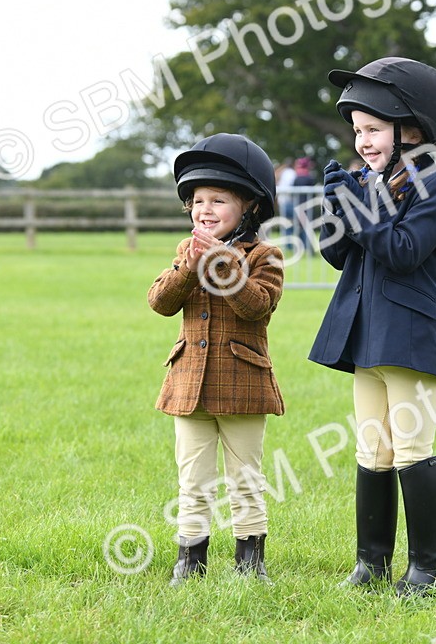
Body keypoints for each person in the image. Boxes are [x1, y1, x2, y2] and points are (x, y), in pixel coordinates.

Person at [308, 56, 436, 596]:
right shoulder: (369, 183)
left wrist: (360, 208)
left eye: (372, 129)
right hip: (365, 335)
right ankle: (371, 564)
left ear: (410, 130)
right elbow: (339, 257)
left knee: (413, 449)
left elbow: (400, 250)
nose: (362, 141)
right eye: (357, 131)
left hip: (411, 339)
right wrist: (336, 213)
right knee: (373, 451)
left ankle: (428, 570)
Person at [148, 133, 285, 585]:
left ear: (249, 206)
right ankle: (190, 558)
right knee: (193, 477)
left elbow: (256, 305)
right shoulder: (185, 254)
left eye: (218, 200)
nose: (205, 210)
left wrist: (221, 263)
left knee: (245, 477)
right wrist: (189, 266)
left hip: (243, 384)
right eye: (198, 200)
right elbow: (161, 302)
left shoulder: (264, 256)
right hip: (189, 384)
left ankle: (250, 560)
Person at [291, 157, 316, 253]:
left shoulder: (296, 178)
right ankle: (310, 249)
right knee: (308, 228)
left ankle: (298, 249)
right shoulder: (309, 178)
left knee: (298, 229)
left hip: (297, 205)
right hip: (308, 206)